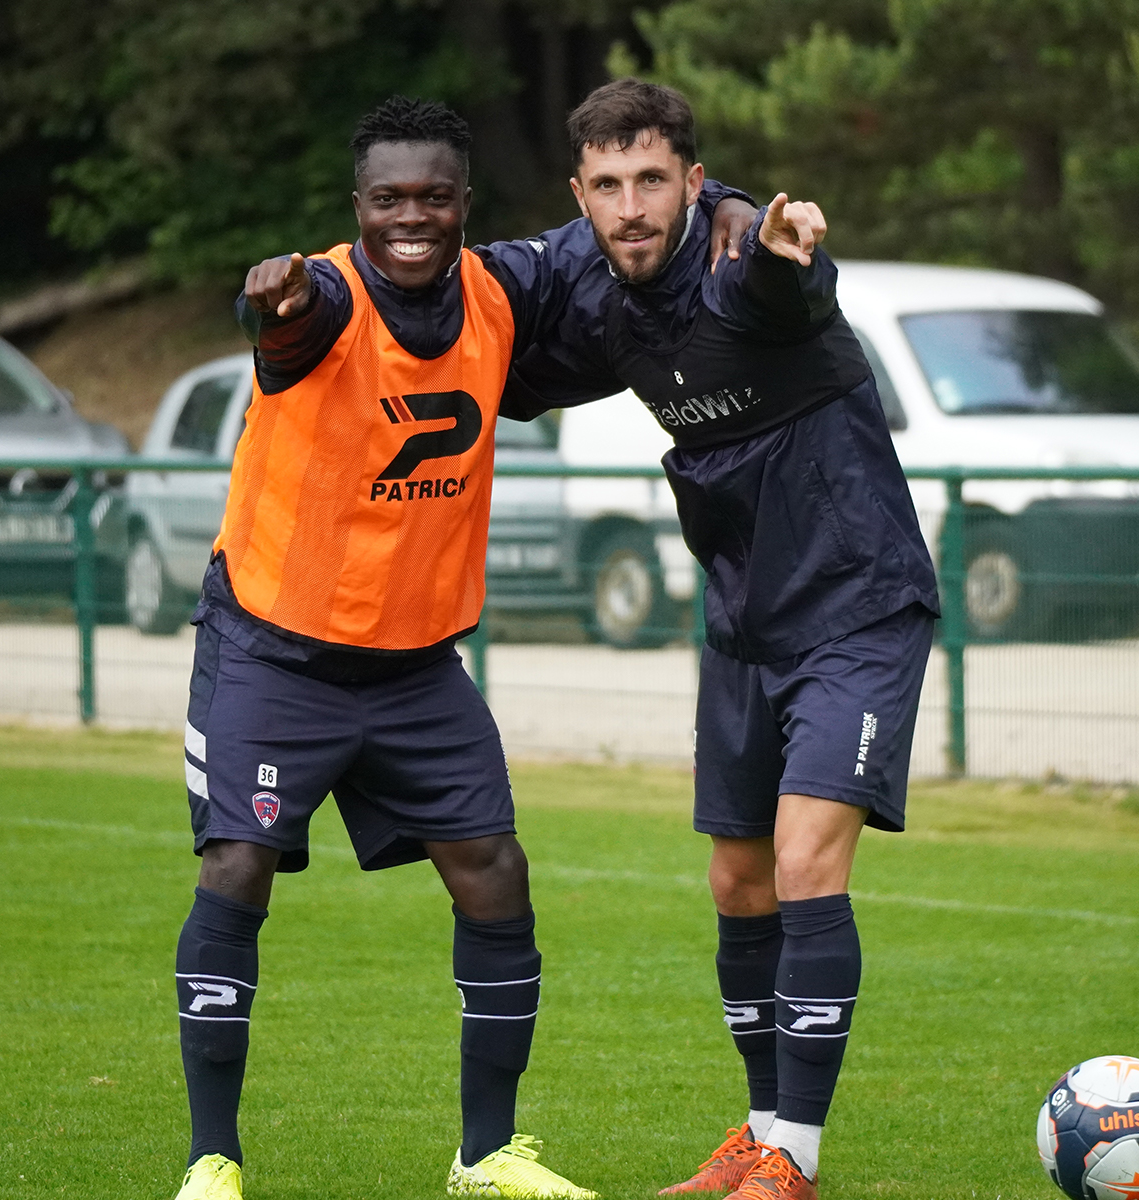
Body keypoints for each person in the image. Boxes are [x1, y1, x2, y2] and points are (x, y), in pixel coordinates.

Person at [171, 95, 756, 1200]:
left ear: (463, 206)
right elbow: (287, 330)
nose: (411, 218)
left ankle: (485, 1155)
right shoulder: (324, 295)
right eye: (387, 199)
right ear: (357, 209)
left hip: (413, 666)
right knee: (237, 867)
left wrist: (721, 202)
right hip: (272, 652)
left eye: (432, 197)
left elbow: (625, 219)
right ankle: (213, 1160)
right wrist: (277, 306)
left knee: (495, 878)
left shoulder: (500, 284)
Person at [504, 80, 942, 1200]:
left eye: (654, 180)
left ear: (696, 185)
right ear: (580, 196)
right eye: (608, 185)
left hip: (855, 607)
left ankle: (793, 1157)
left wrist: (788, 244)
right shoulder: (603, 290)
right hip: (743, 624)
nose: (632, 205)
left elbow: (787, 284)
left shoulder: (744, 265)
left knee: (803, 863)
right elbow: (496, 314)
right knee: (738, 881)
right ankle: (757, 1135)